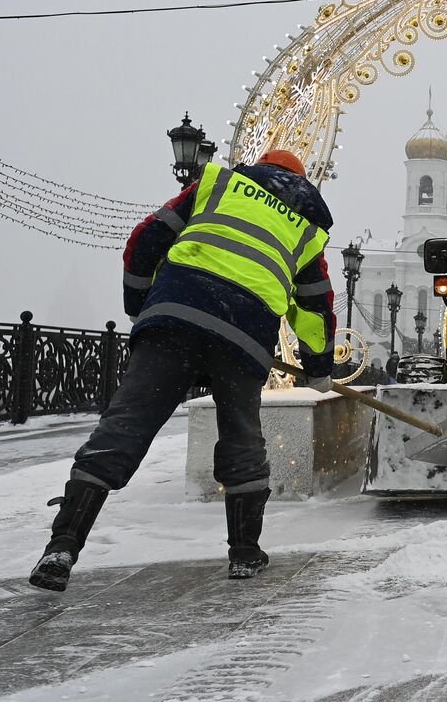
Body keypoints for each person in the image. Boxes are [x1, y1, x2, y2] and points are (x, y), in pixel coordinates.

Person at [28, 149, 337, 591]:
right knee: (241, 438)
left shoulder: (218, 184)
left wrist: (140, 305)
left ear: (261, 168)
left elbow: (145, 239)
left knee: (123, 429)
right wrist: (319, 368)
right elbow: (314, 308)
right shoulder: (307, 226)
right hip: (243, 337)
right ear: (301, 184)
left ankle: (62, 546)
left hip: (174, 318)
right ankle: (245, 555)